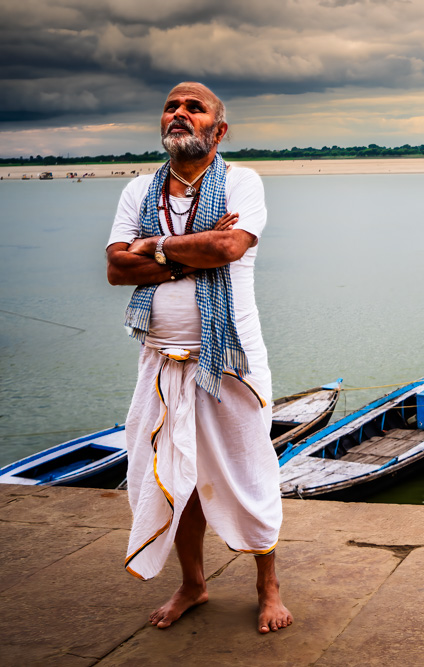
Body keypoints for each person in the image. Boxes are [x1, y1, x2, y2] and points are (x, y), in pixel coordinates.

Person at [106, 82, 291, 634]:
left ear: (219, 129)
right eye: (171, 106)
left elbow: (227, 248)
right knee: (172, 475)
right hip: (159, 362)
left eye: (194, 107)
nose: (180, 113)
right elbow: (116, 269)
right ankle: (193, 583)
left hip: (229, 362)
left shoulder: (243, 182)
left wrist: (154, 247)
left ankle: (268, 586)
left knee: (247, 474)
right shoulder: (140, 190)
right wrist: (191, 251)